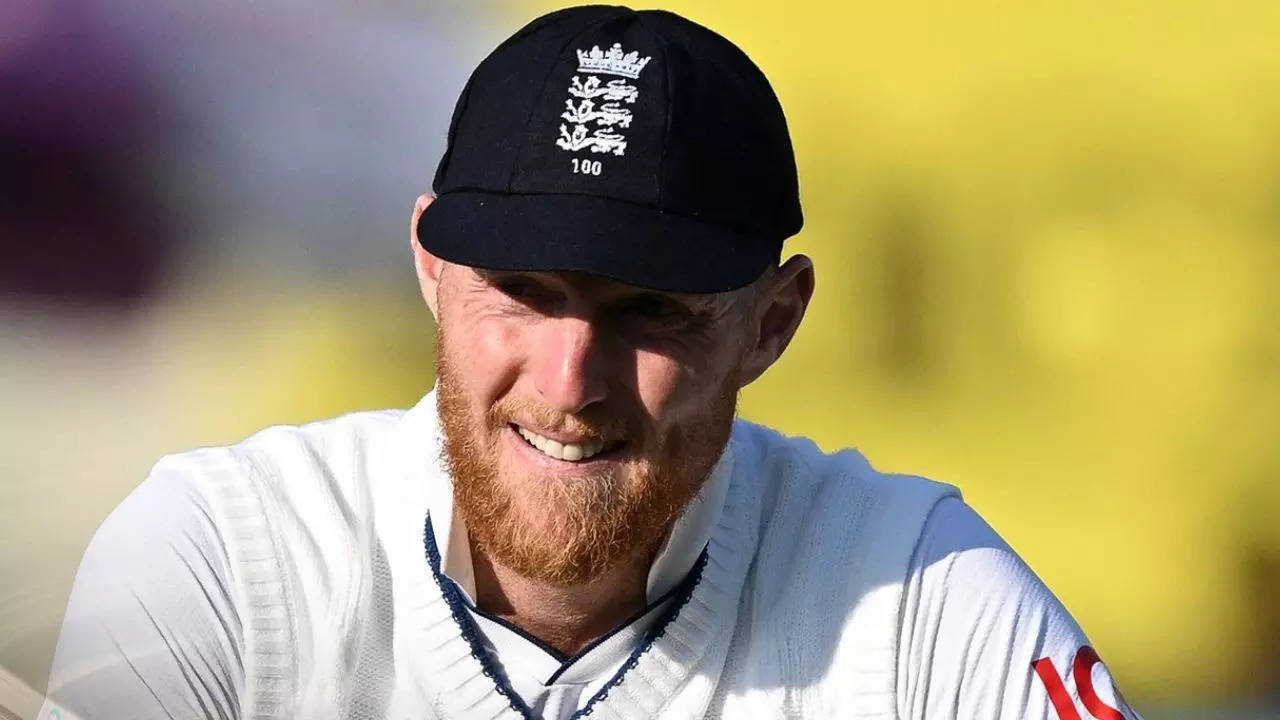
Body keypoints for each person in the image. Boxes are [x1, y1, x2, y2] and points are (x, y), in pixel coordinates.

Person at [40, 6, 1143, 719]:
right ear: (430, 264)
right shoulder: (229, 560)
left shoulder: (918, 593)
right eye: (522, 293)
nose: (571, 382)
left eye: (650, 310)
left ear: (771, 321)